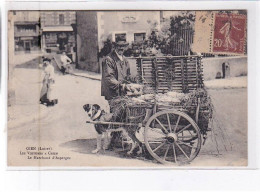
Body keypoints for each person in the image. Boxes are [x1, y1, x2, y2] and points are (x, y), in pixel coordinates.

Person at [101, 40, 132, 149]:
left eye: (123, 46)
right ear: (114, 47)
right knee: (115, 115)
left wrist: (131, 84)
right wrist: (122, 85)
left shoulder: (125, 60)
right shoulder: (109, 60)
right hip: (113, 92)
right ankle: (112, 141)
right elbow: (109, 78)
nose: (121, 48)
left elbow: (128, 76)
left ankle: (120, 138)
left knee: (124, 115)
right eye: (119, 46)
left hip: (122, 92)